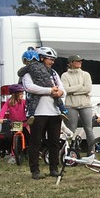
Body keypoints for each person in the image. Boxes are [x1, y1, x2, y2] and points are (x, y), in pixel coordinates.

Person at [21, 46, 65, 180]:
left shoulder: (53, 73)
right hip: (38, 113)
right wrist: (49, 90)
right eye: (49, 59)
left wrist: (60, 92)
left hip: (54, 112)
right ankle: (35, 170)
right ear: (41, 58)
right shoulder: (29, 73)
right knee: (35, 142)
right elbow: (29, 87)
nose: (52, 62)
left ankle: (54, 168)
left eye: (53, 60)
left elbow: (61, 87)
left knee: (54, 142)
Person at [60, 54, 97, 157]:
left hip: (85, 104)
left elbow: (88, 89)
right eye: (77, 61)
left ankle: (92, 152)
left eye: (80, 61)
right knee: (71, 128)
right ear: (71, 63)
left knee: (88, 129)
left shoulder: (86, 74)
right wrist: (80, 87)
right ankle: (68, 151)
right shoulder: (65, 75)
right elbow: (65, 89)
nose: (80, 62)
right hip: (71, 105)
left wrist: (74, 91)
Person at [0, 84, 27, 163]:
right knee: (13, 138)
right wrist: (0, 118)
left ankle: (28, 151)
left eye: (22, 94)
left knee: (28, 136)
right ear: (15, 95)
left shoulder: (23, 102)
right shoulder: (9, 102)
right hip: (14, 123)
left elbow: (28, 108)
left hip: (24, 123)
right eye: (20, 94)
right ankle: (14, 155)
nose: (22, 95)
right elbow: (3, 110)